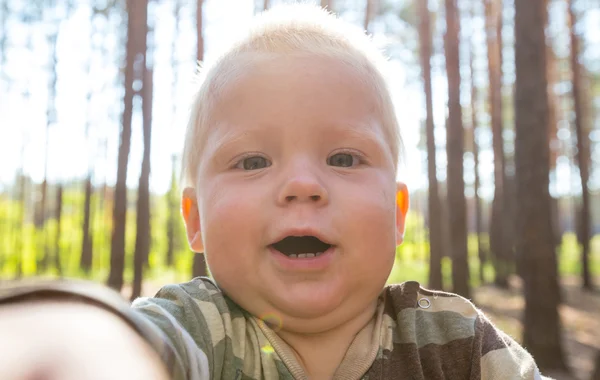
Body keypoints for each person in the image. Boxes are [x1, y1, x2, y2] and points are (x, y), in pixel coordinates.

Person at [0, 4, 547, 380]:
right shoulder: (200, 331)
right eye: (253, 161)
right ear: (195, 219)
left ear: (399, 213)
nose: (303, 185)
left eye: (343, 158)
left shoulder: (458, 345)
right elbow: (102, 336)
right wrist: (63, 351)